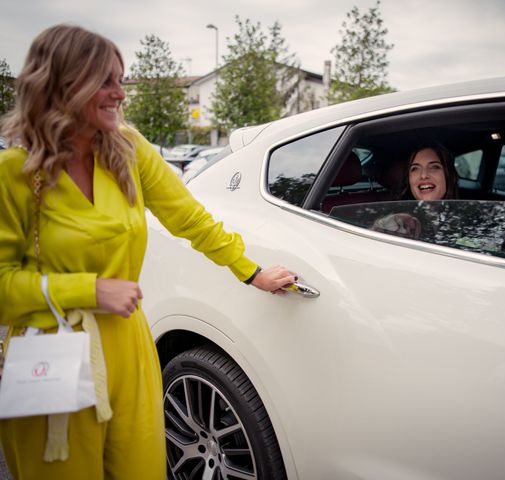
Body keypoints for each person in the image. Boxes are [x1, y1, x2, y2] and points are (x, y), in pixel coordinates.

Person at [0, 24, 296, 480]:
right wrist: (89, 291)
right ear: (63, 84)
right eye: (107, 81)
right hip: (52, 355)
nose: (121, 93)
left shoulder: (129, 150)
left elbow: (190, 220)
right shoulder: (14, 174)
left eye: (121, 79)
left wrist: (250, 272)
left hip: (129, 348)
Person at [372, 143, 459, 237]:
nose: (423, 175)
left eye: (434, 167)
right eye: (415, 169)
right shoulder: (400, 221)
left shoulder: (464, 213)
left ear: (451, 176)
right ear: (409, 179)